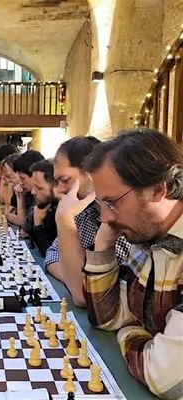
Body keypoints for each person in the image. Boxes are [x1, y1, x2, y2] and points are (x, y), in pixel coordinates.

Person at [83, 128, 183, 399]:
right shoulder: (144, 236)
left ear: (157, 190)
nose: (105, 217)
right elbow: (107, 317)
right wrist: (103, 246)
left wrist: (129, 331)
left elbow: (166, 378)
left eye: (112, 203)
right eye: (101, 204)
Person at [45, 136, 130, 306]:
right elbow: (52, 254)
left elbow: (84, 296)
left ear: (91, 173)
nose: (59, 189)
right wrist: (72, 278)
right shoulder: (86, 212)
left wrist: (64, 220)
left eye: (65, 180)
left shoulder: (120, 216)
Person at [28, 159, 58, 255]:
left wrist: (38, 224)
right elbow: (24, 232)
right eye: (33, 187)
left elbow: (48, 252)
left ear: (56, 187)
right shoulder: (44, 205)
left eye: (39, 188)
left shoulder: (60, 211)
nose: (33, 192)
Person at [10, 150, 44, 231]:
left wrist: (20, 198)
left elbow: (23, 227)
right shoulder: (28, 193)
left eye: (23, 178)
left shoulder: (44, 197)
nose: (20, 183)